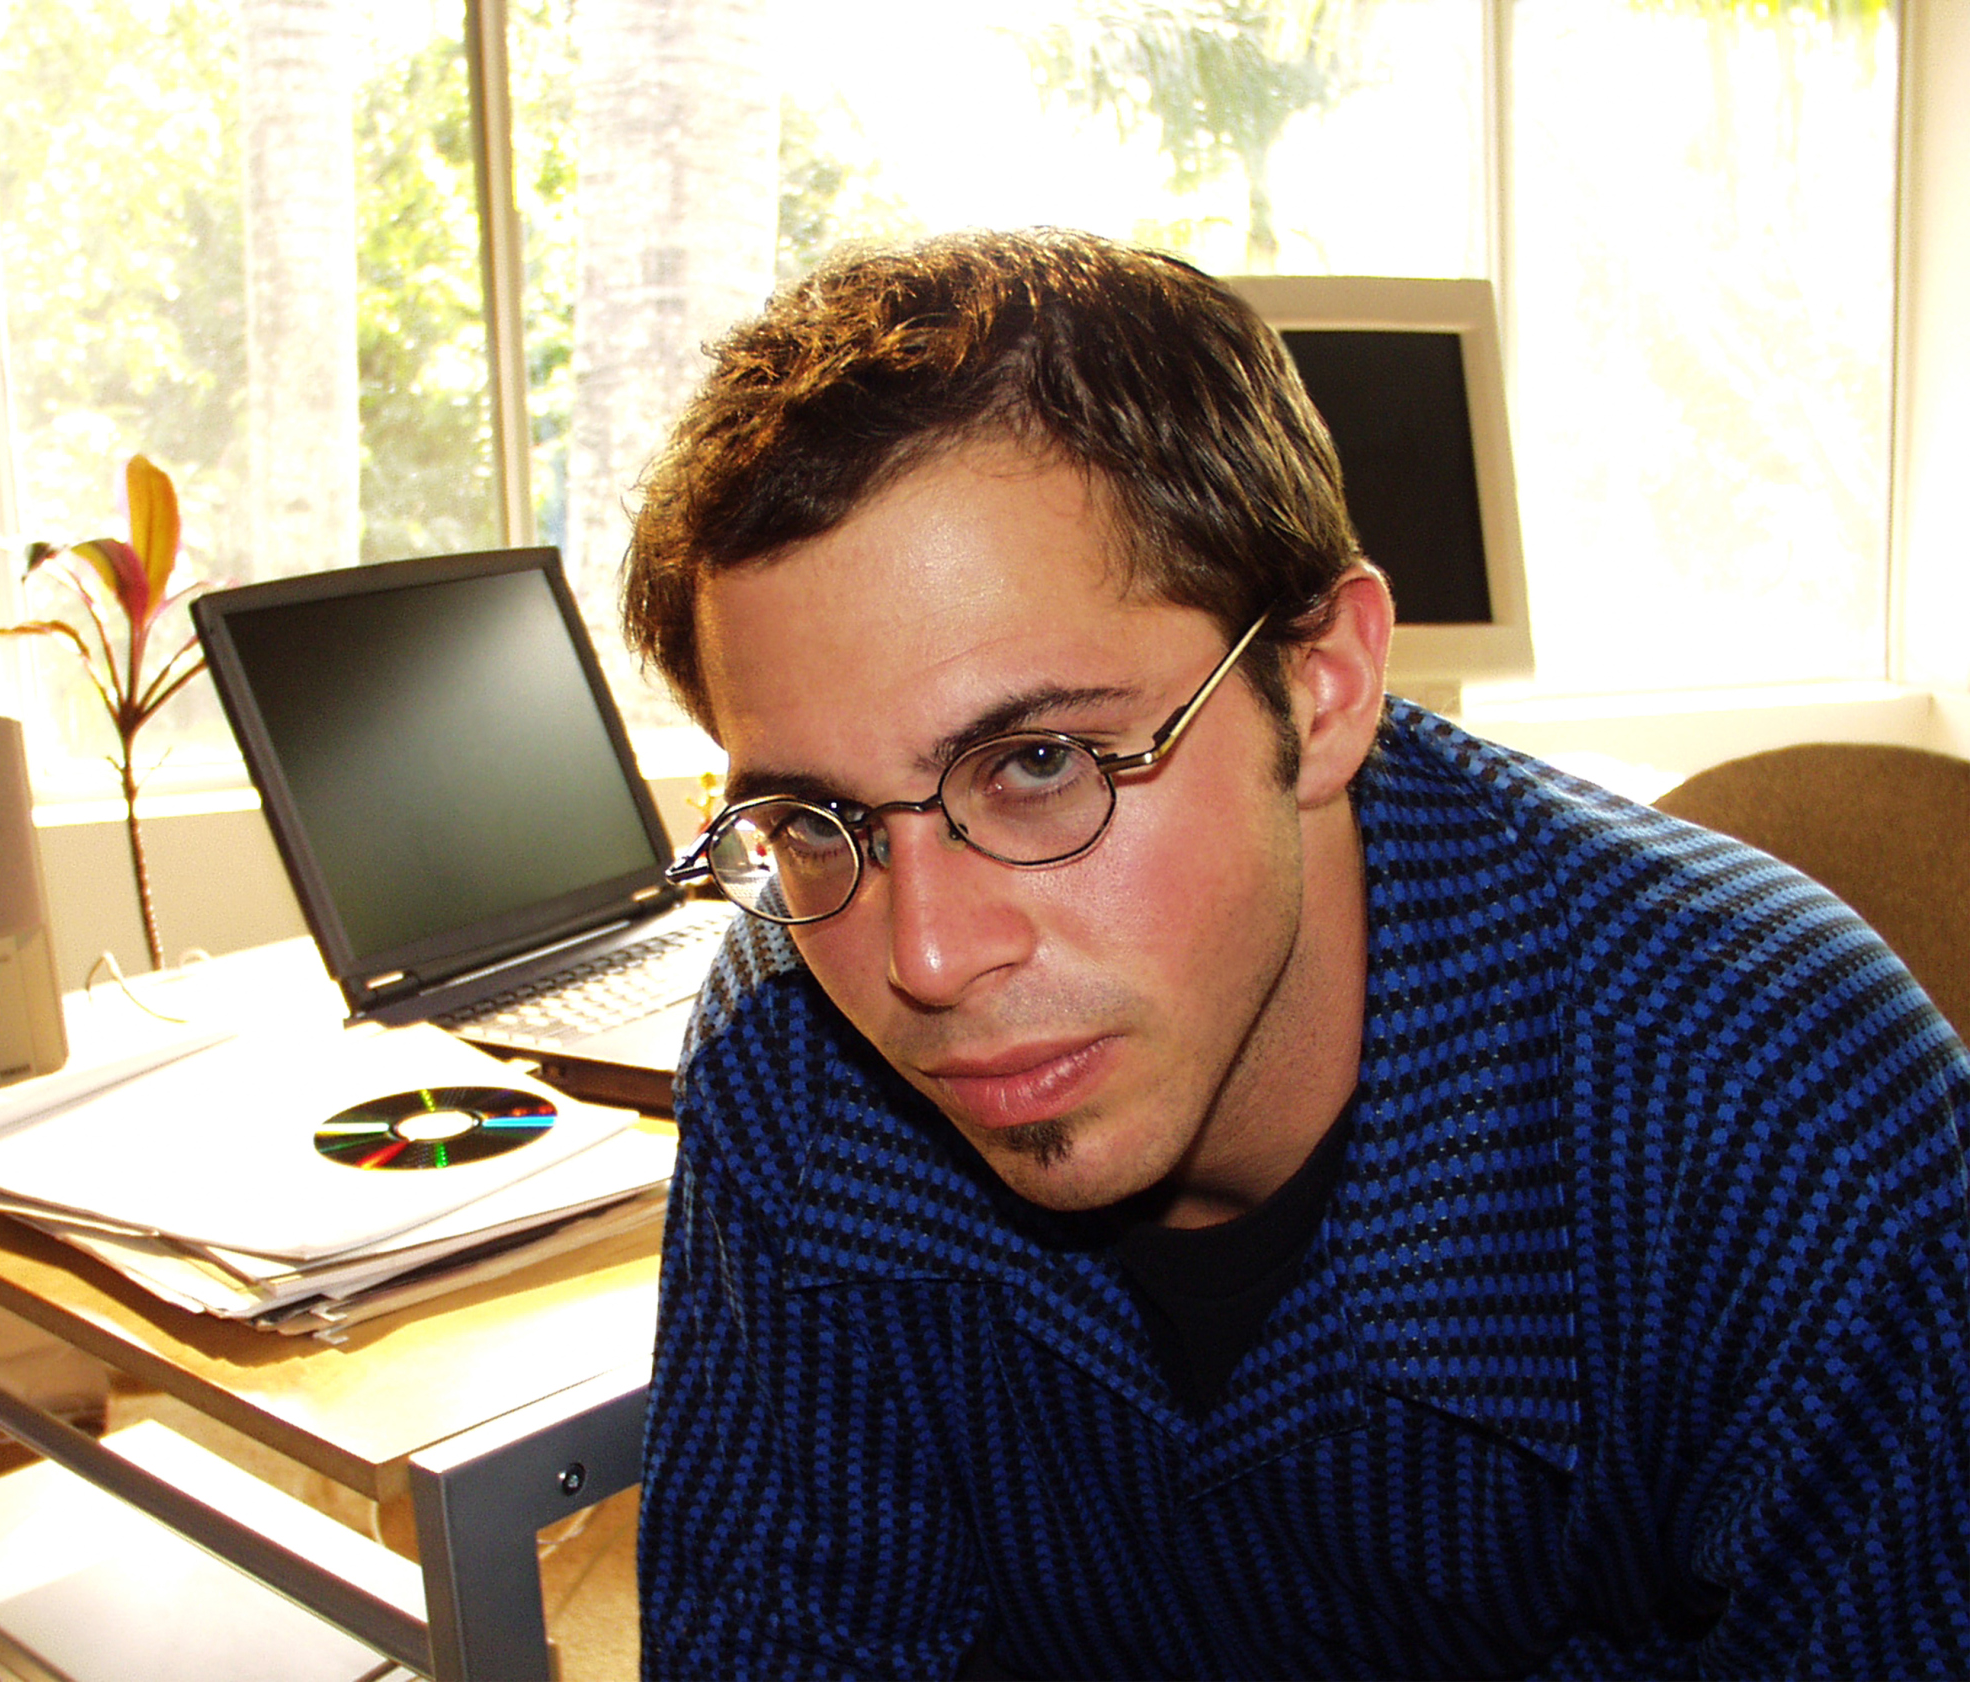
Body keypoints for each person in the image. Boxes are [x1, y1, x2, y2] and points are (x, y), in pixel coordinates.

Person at [618, 228, 1970, 1679]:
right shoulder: (790, 1052)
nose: (927, 955)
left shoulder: (1780, 1119)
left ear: (1322, 686)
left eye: (1037, 761)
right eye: (813, 818)